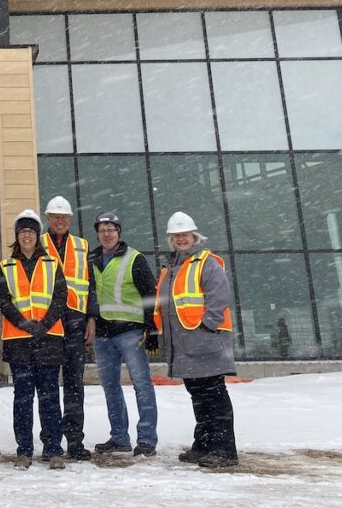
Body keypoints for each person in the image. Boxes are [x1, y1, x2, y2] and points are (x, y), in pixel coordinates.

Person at [154, 211, 239, 468]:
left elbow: (219, 295)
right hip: (184, 345)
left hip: (205, 341)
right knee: (199, 396)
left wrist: (208, 325)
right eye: (176, 235)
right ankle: (203, 445)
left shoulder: (205, 262)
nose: (181, 239)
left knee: (214, 395)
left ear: (194, 236)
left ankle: (224, 450)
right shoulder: (171, 267)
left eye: (185, 235)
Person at [0, 209, 68, 470]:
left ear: (37, 237)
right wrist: (22, 322)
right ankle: (24, 450)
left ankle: (53, 449)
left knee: (49, 396)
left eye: (31, 232)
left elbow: (61, 298)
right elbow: (2, 300)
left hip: (48, 339)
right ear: (17, 236)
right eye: (23, 232)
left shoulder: (52, 264)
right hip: (18, 340)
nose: (27, 236)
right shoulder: (6, 266)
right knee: (23, 398)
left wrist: (45, 323)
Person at [88, 211, 159, 457]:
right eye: (102, 230)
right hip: (104, 334)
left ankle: (147, 440)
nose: (106, 234)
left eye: (111, 229)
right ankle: (119, 437)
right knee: (110, 387)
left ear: (119, 232)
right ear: (97, 234)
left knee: (142, 385)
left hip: (132, 332)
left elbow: (150, 293)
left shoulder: (134, 258)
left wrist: (152, 328)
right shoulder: (92, 259)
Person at [41, 195, 95, 460]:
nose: (60, 221)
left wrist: (92, 318)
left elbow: (90, 286)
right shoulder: (37, 243)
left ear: (70, 219)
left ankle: (75, 441)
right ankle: (50, 441)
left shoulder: (82, 246)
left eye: (64, 217)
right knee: (48, 384)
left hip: (75, 322)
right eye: (55, 216)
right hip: (48, 324)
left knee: (74, 383)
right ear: (48, 219)